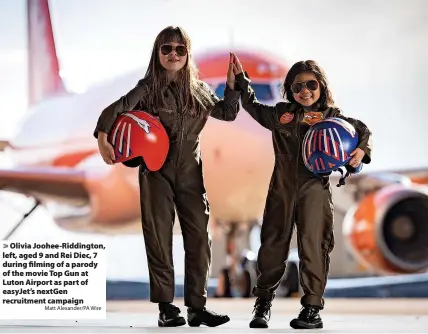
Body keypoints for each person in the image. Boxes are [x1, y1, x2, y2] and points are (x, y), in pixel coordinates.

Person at [93, 26, 242, 328]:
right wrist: (102, 137)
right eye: (166, 48)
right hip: (156, 172)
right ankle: (166, 307)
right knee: (159, 238)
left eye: (180, 49)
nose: (173, 54)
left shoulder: (199, 90)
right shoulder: (146, 88)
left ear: (187, 54)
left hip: (191, 173)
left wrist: (234, 86)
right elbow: (118, 108)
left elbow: (227, 113)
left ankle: (197, 308)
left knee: (200, 237)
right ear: (157, 52)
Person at [231, 54, 372, 329]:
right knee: (272, 246)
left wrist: (361, 151)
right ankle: (263, 304)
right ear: (289, 90)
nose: (304, 91)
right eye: (297, 87)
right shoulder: (279, 114)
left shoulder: (332, 117)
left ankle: (311, 309)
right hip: (281, 189)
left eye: (310, 85)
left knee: (314, 248)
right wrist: (241, 81)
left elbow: (362, 131)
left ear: (321, 87)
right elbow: (250, 104)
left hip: (315, 190)